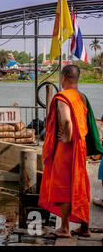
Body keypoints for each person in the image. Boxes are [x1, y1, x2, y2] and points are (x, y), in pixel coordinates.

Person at [39, 64, 91, 238]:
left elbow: (67, 120)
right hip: (80, 146)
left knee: (63, 186)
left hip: (67, 148)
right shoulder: (81, 96)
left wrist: (66, 138)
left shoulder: (63, 97)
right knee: (80, 183)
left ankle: (65, 228)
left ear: (64, 78)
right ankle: (84, 227)